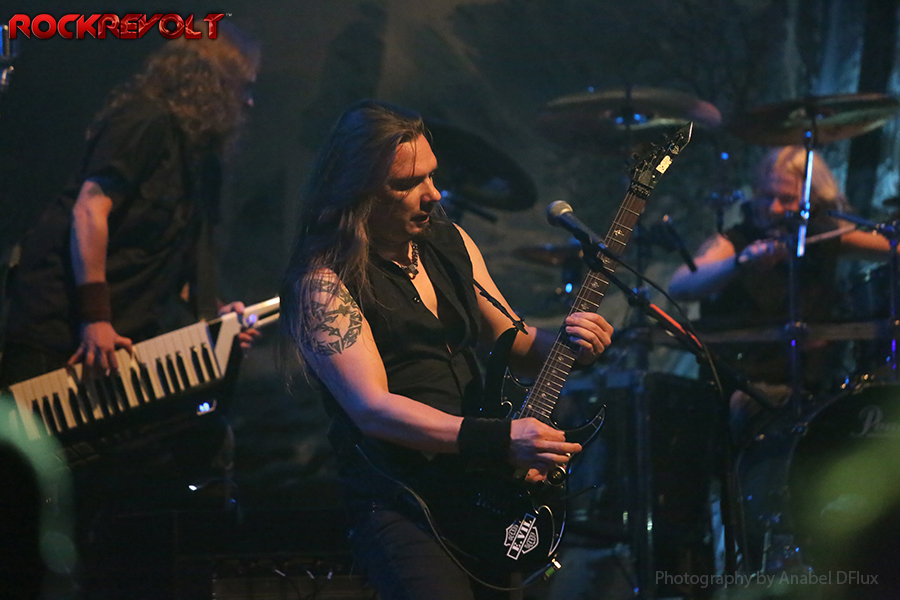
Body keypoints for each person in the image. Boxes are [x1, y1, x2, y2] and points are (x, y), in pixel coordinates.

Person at [280, 100, 614, 600]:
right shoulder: (324, 282)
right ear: (359, 191)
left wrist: (576, 348)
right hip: (403, 501)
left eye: (431, 175)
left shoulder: (448, 240)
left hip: (483, 490)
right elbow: (372, 410)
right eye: (407, 183)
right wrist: (500, 438)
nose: (432, 194)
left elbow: (515, 340)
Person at [0, 22, 261, 599]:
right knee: (26, 497)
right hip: (57, 332)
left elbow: (167, 263)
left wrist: (215, 318)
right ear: (210, 81)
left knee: (100, 499)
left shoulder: (197, 160)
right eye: (243, 86)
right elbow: (90, 210)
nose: (247, 103)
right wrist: (96, 318)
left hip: (111, 345)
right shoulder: (145, 121)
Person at [669, 146, 892, 403]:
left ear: (812, 202)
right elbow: (680, 286)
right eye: (766, 196)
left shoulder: (823, 237)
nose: (774, 208)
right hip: (742, 388)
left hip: (812, 388)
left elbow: (890, 247)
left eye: (786, 199)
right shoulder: (734, 242)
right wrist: (739, 263)